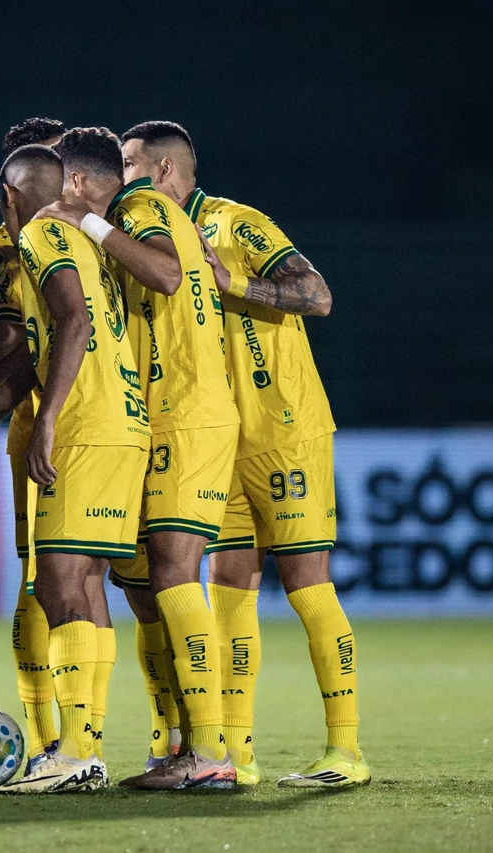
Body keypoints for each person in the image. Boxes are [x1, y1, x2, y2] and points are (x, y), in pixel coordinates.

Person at [122, 120, 366, 788]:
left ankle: (345, 750)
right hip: (217, 437)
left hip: (283, 427)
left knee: (307, 581)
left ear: (166, 172)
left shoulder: (237, 223)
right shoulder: (155, 241)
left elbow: (317, 294)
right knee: (229, 590)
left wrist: (236, 284)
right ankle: (238, 752)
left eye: (131, 165)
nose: (123, 180)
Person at [39, 126, 240, 790]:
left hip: (185, 411)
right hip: (166, 413)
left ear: (76, 184)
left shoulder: (140, 206)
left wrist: (89, 218)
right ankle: (185, 744)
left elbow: (166, 273)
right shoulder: (138, 218)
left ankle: (210, 749)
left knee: (177, 573)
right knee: (152, 584)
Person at [0, 135, 151, 793]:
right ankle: (83, 749)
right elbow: (50, 341)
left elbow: (75, 321)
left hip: (86, 427)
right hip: (124, 423)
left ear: (8, 196)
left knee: (60, 583)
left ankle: (77, 746)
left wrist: (48, 419)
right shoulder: (86, 241)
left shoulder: (41, 234)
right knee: (80, 583)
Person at [0, 117, 66, 774]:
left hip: (117, 429)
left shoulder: (99, 240)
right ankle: (47, 742)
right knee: (40, 586)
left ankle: (182, 739)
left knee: (149, 583)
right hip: (38, 434)